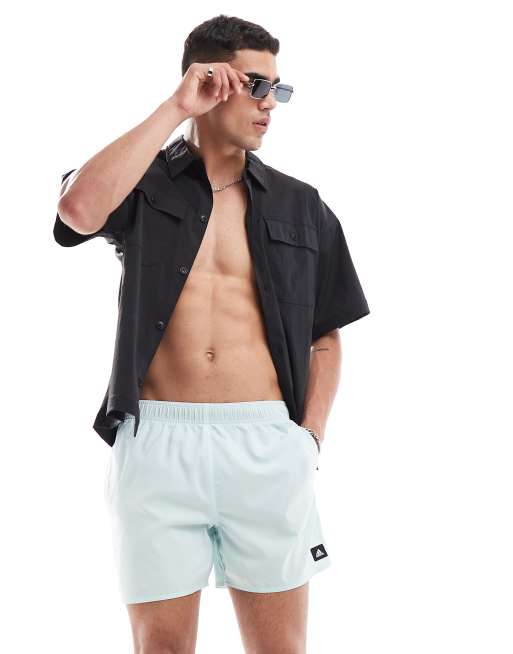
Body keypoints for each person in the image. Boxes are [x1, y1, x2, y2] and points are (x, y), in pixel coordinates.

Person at [54, 14, 370, 654]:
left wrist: (308, 436)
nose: (270, 104)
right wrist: (176, 109)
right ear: (208, 80)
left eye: (278, 88)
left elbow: (326, 335)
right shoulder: (142, 186)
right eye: (257, 85)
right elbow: (77, 210)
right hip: (158, 441)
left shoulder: (302, 205)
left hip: (265, 444)